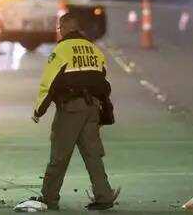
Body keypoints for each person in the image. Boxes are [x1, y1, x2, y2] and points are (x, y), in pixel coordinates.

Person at [14, 14, 119, 213]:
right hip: (92, 108)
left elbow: (48, 82)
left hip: (71, 108)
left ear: (63, 28)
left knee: (59, 155)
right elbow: (102, 79)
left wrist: (39, 110)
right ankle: (104, 195)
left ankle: (49, 197)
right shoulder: (94, 49)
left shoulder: (61, 50)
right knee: (92, 154)